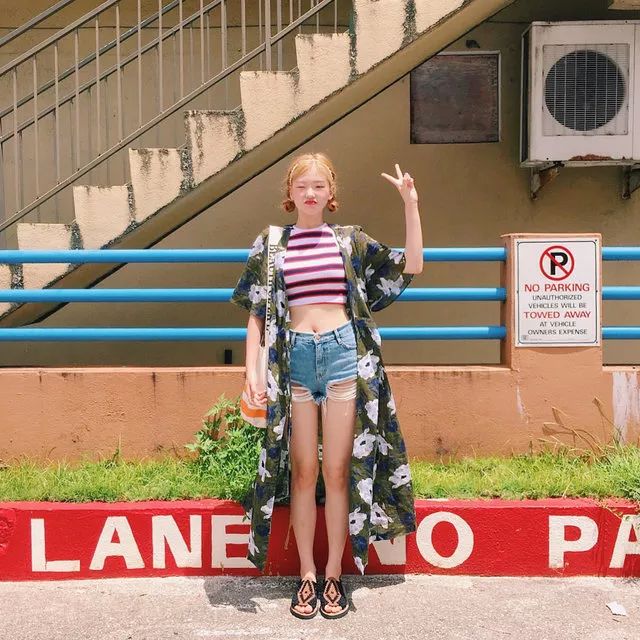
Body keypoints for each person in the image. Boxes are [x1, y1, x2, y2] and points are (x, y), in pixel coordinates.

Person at [230, 151, 423, 619]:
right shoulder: (271, 244)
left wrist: (410, 204)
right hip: (294, 359)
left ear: (331, 192)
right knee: (303, 473)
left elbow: (412, 265)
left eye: (319, 185)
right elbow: (257, 313)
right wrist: (252, 372)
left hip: (342, 356)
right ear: (290, 193)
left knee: (337, 472)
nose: (310, 193)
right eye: (302, 186)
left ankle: (334, 574)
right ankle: (307, 574)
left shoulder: (349, 240)